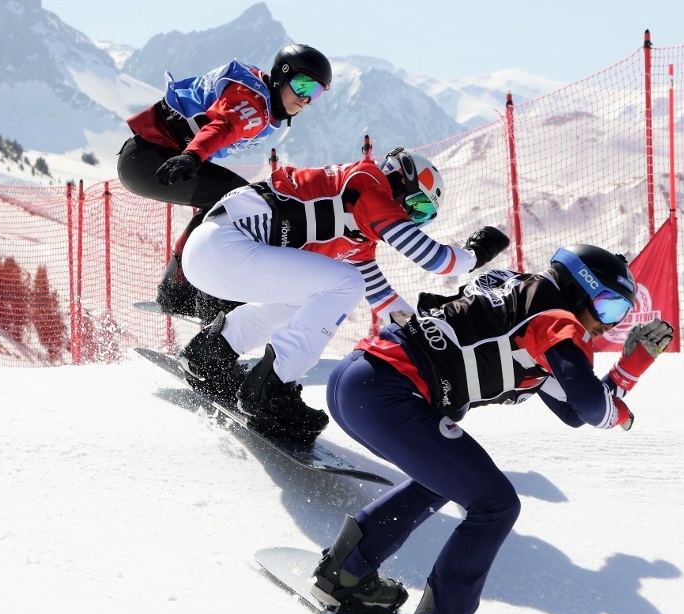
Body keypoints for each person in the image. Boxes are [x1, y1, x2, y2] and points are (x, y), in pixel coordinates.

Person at [309, 244, 675, 614]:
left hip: (362, 382)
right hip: (387, 394)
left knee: (445, 482)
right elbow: (593, 408)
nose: (610, 324)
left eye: (621, 313)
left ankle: (345, 574)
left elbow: (573, 410)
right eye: (609, 306)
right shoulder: (557, 320)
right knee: (496, 504)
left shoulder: (532, 301)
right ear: (581, 289)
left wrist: (626, 371)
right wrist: (624, 405)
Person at [175, 146, 512, 444]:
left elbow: (385, 301)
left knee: (312, 293)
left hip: (214, 253)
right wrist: (474, 256)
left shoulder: (356, 232)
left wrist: (427, 347)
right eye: (417, 207)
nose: (413, 219)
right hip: (224, 246)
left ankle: (210, 355)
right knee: (345, 283)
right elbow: (434, 259)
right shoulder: (368, 185)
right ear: (401, 181)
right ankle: (269, 390)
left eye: (423, 217)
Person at [117, 45, 333, 320]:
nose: (305, 98)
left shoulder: (262, 98)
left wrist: (192, 156)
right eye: (303, 85)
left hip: (151, 156)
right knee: (238, 202)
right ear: (282, 75)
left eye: (316, 92)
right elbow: (223, 127)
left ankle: (179, 291)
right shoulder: (254, 105)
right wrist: (193, 156)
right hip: (151, 160)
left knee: (231, 201)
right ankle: (198, 295)